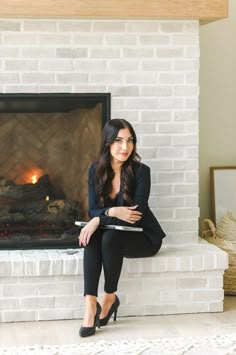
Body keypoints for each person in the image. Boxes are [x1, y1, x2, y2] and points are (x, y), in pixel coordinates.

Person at [78, 118, 166, 337]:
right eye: (118, 140)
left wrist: (101, 217)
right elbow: (93, 211)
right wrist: (111, 213)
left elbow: (135, 215)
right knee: (93, 237)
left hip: (144, 237)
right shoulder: (95, 170)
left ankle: (109, 297)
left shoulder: (141, 171)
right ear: (107, 142)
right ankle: (90, 303)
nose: (125, 147)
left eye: (130, 141)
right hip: (114, 234)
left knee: (107, 237)